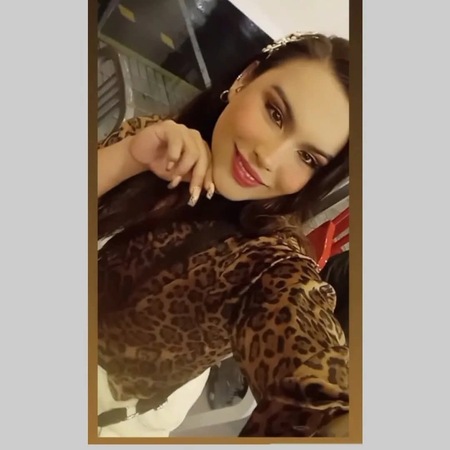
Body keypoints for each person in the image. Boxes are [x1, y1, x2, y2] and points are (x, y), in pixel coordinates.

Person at [97, 32, 350, 437]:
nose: (269, 158)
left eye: (307, 157)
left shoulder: (269, 261)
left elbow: (316, 383)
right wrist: (128, 158)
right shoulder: (158, 138)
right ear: (244, 80)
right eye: (275, 113)